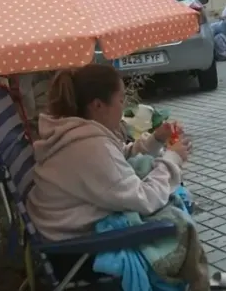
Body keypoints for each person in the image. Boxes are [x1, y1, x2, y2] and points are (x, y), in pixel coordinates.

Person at [26, 64, 191, 242]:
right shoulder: (90, 148)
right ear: (98, 105)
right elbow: (145, 199)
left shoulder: (73, 130)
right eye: (121, 100)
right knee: (176, 222)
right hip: (75, 245)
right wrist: (172, 160)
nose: (124, 107)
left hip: (57, 226)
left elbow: (118, 156)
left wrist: (156, 139)